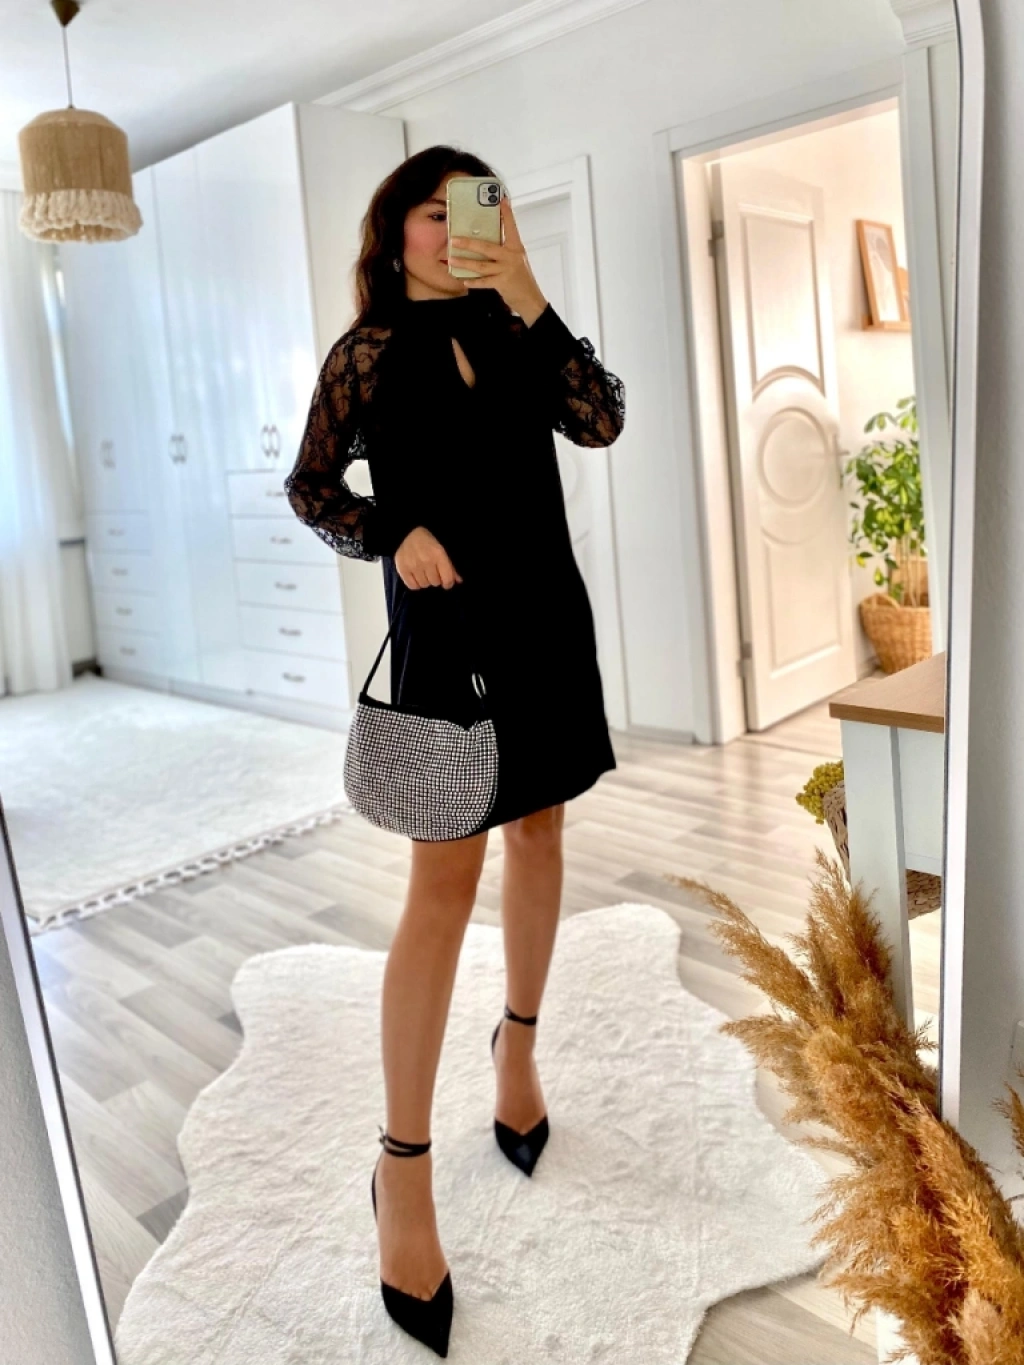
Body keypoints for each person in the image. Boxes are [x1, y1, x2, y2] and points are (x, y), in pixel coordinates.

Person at [284, 144, 625, 1357]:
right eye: (434, 212)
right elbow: (310, 486)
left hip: (546, 626)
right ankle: (403, 1170)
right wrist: (393, 532)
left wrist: (526, 286)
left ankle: (516, 1053)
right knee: (441, 887)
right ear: (394, 232)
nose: (455, 228)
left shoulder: (514, 322)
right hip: (446, 633)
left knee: (542, 832)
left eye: (474, 209)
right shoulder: (368, 352)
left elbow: (598, 420)